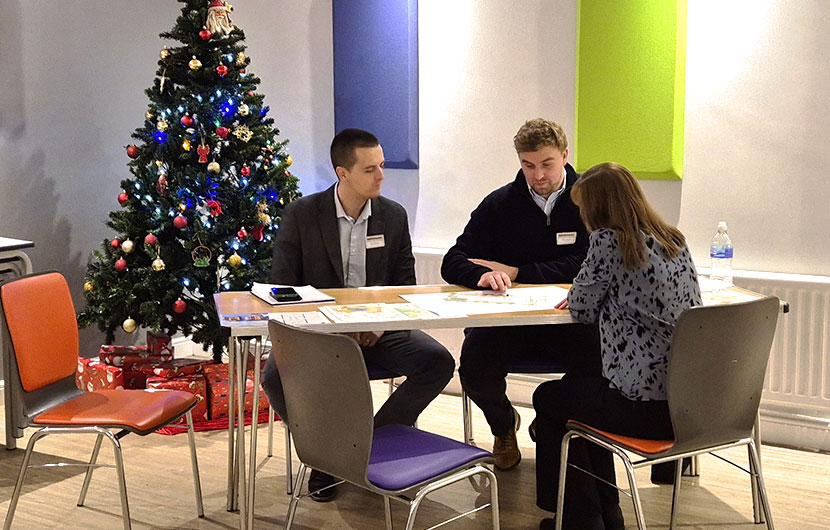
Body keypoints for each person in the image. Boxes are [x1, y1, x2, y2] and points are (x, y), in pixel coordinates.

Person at [262, 128, 454, 501]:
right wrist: (334, 328)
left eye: (381, 165)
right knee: (274, 376)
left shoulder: (393, 216)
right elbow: (282, 287)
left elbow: (405, 289)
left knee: (437, 362)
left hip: (378, 330)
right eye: (370, 169)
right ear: (343, 173)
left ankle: (371, 444)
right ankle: (326, 458)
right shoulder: (302, 214)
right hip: (321, 333)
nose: (382, 175)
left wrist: (378, 327)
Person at [532, 162, 702, 530]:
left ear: (597, 209)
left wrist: (584, 292)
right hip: (689, 404)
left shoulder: (609, 242)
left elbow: (581, 306)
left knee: (550, 399)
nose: (580, 215)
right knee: (584, 396)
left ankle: (579, 518)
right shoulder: (675, 239)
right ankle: (603, 513)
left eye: (582, 208)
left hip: (644, 407)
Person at [441, 118, 601, 470]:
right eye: (528, 165)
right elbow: (452, 261)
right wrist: (484, 274)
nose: (538, 175)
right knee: (475, 369)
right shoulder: (499, 204)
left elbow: (591, 260)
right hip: (508, 321)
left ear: (565, 155)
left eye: (547, 164)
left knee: (599, 362)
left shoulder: (588, 200)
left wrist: (518, 272)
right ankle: (503, 425)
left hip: (567, 320)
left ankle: (551, 419)